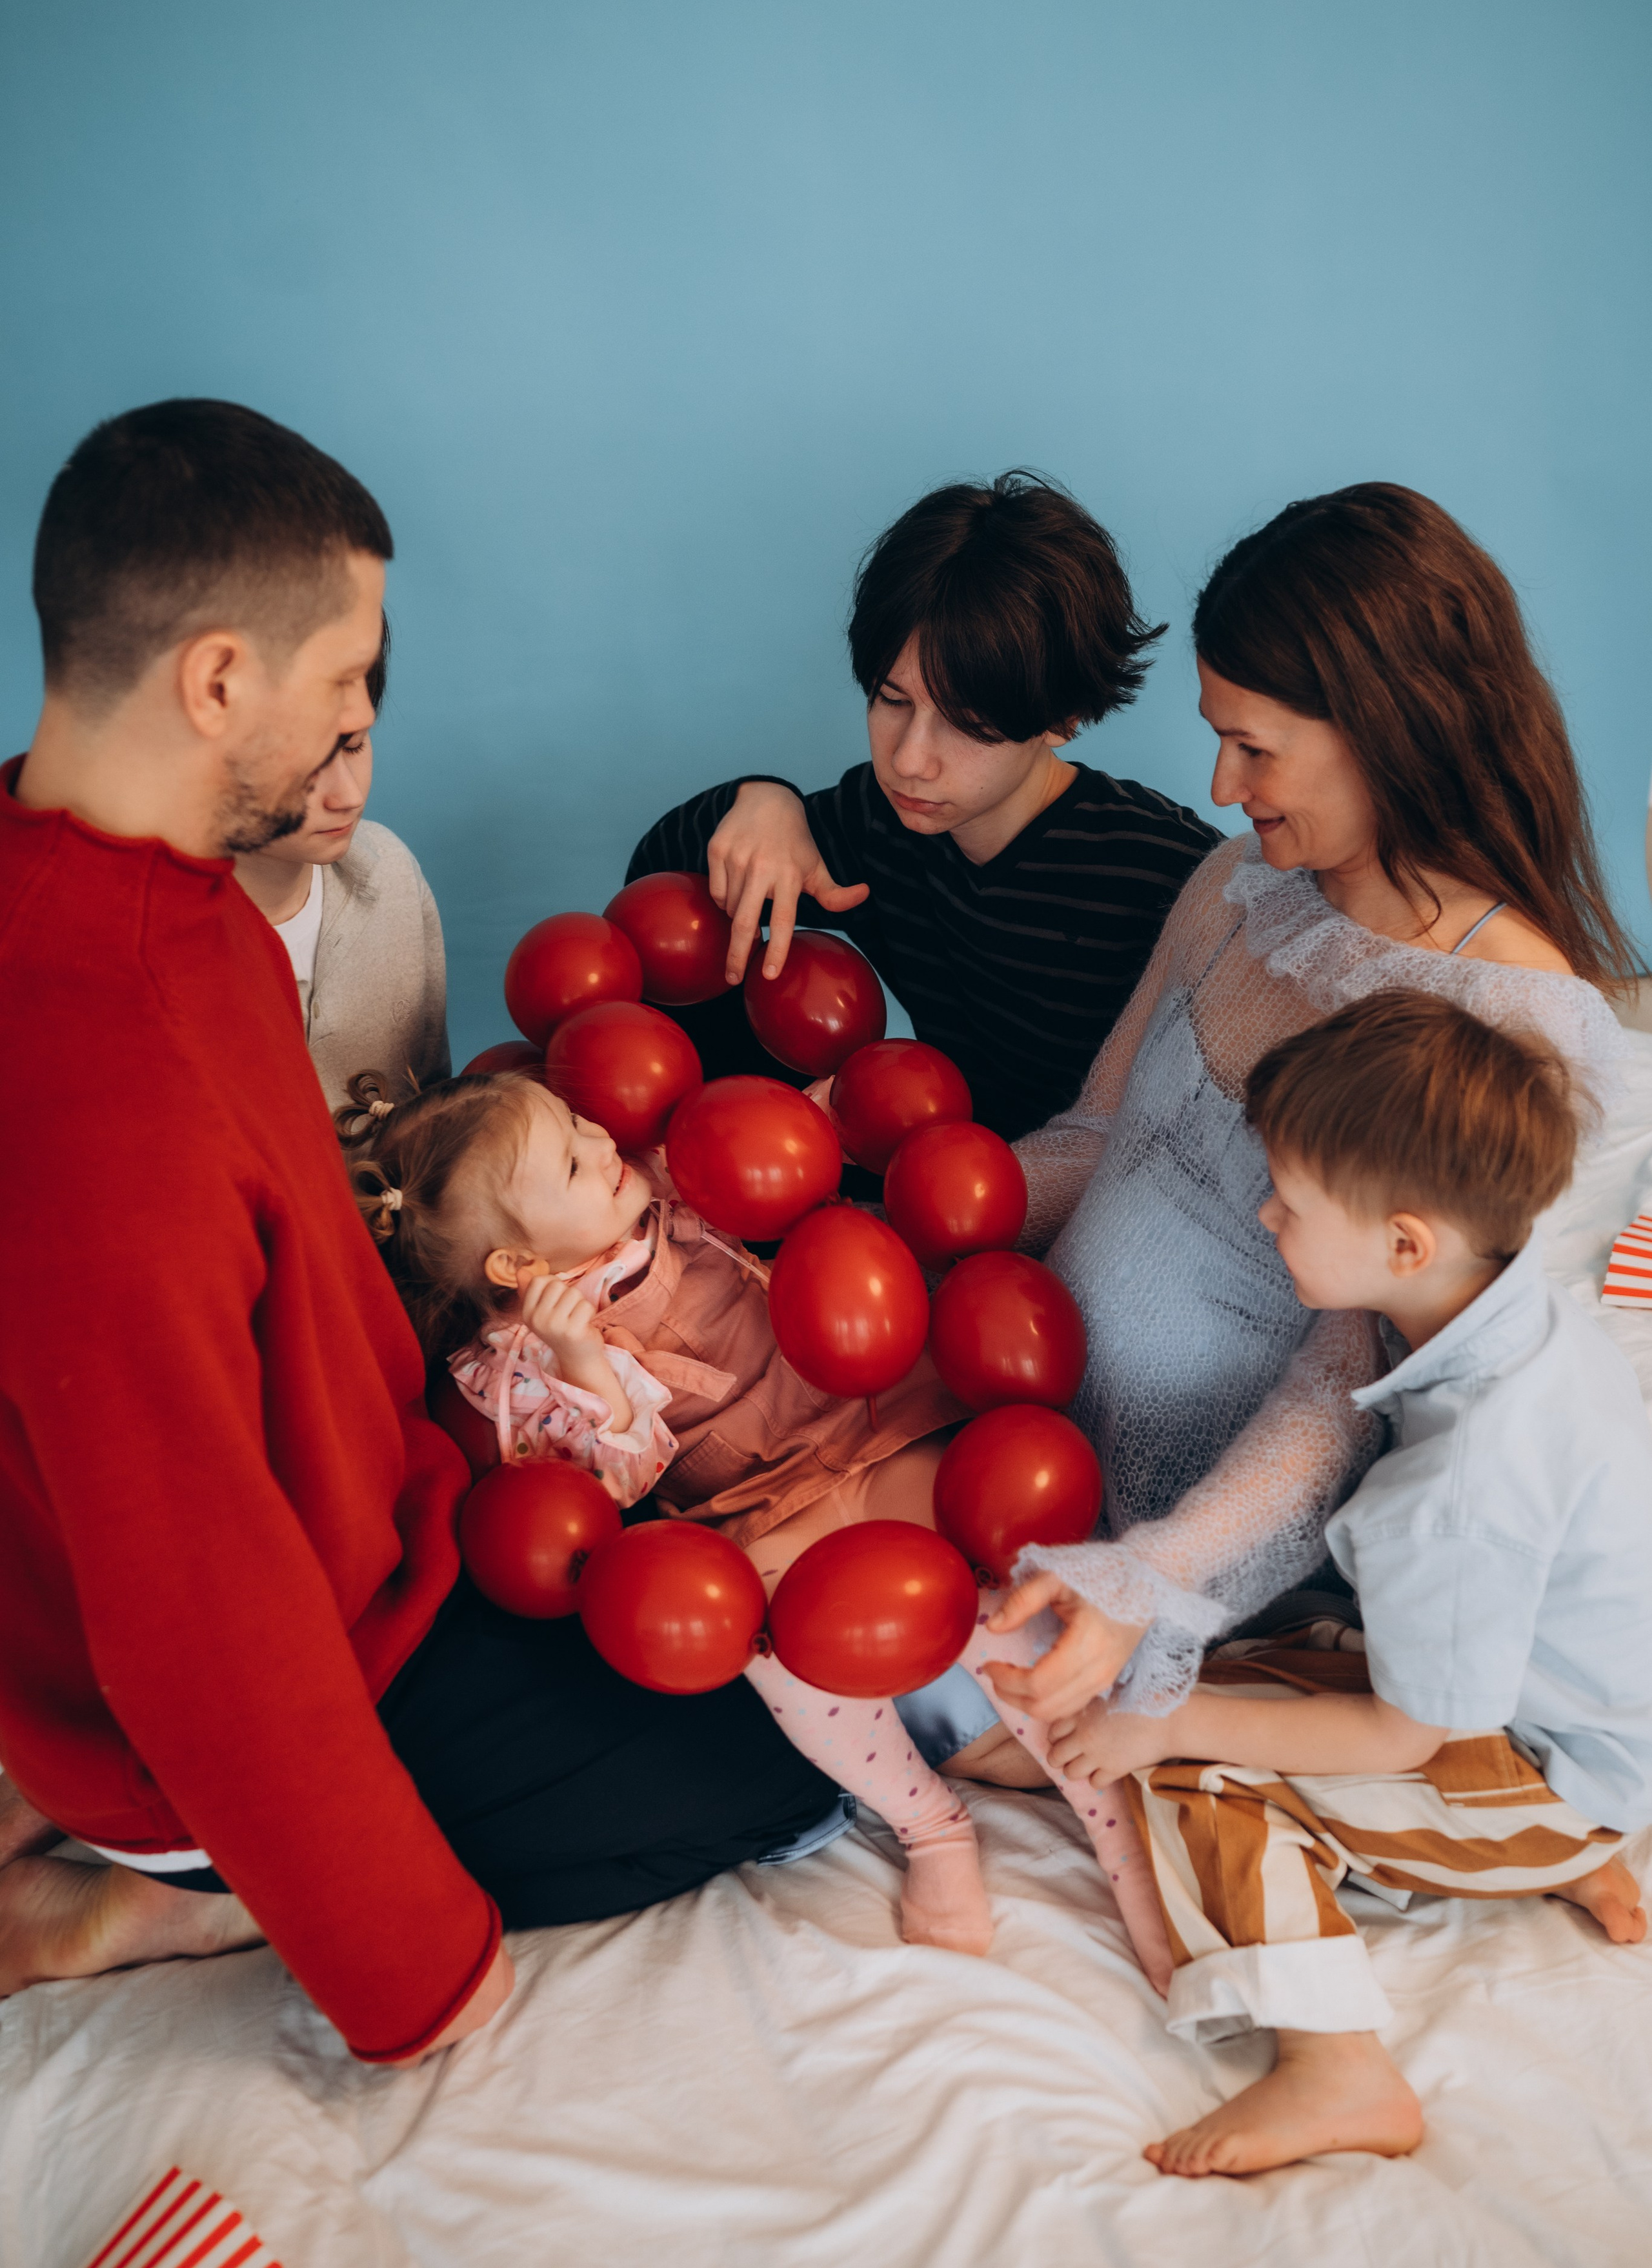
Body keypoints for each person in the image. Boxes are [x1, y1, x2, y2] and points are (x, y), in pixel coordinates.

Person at [0, 400, 844, 2062]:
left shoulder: (158, 895)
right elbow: (199, 1607)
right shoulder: (105, 1074)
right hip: (237, 1684)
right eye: (342, 681)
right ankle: (149, 1886)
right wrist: (418, 1974)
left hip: (378, 1517)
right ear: (219, 679)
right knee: (766, 1767)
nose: (354, 729)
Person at [985, 483, 1631, 1729]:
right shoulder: (1238, 883)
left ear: (1390, 728)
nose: (1222, 785)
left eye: (1258, 745)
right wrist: (878, 1225)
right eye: (1217, 734)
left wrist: (1158, 1571)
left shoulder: (1511, 1021)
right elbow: (1096, 1134)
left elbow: (1355, 1382)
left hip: (1199, 1538)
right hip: (1020, 1426)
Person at [341, 1063, 1177, 1971]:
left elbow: (780, 1157)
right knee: (783, 1648)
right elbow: (615, 1488)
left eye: (580, 1119)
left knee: (982, 1584)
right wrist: (584, 1359)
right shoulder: (517, 1366)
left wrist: (817, 1117)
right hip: (758, 1504)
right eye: (574, 1164)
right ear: (516, 1265)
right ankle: (931, 1825)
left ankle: (1120, 1839)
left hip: (869, 1413)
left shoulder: (658, 1182)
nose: (601, 1144)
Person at [1045, 990, 1649, 2176]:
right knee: (1240, 1671)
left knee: (1205, 1770)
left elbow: (1404, 1736)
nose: (1263, 1211)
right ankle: (1572, 1855)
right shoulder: (1504, 1307)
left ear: (1405, 1243)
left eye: (1289, 1199)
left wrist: (1166, 1726)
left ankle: (1337, 2062)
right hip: (1560, 1691)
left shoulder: (1470, 1481)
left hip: (1551, 1753)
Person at [628, 472, 1220, 1142]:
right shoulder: (882, 823)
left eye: (965, 723)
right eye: (892, 699)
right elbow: (658, 890)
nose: (909, 759)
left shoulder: (1170, 877)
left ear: (1063, 718)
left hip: (1115, 1209)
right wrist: (765, 801)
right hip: (939, 1194)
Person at [232, 622, 451, 1108]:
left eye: (354, 744)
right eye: (306, 761)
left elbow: (435, 1126)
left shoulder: (391, 875)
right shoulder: (130, 938)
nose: (348, 796)